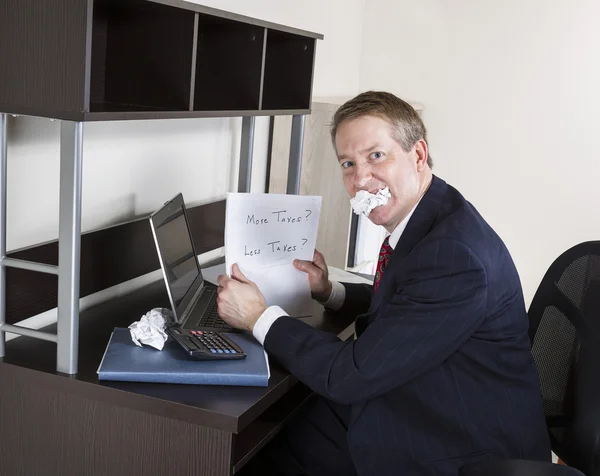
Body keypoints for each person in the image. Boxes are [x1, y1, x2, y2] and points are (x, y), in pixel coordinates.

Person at [216, 91, 551, 476]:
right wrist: (330, 291)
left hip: (460, 445)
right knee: (285, 424)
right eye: (348, 163)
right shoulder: (432, 214)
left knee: (263, 449)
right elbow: (407, 302)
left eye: (376, 156)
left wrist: (258, 316)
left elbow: (350, 375)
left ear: (418, 155)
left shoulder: (454, 256)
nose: (360, 178)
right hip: (427, 395)